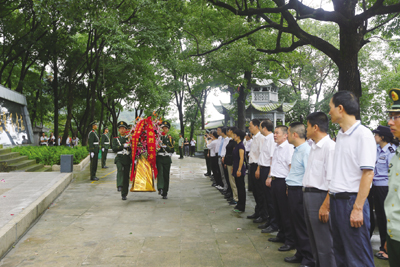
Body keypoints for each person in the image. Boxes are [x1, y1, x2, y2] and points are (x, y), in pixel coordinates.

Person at [320, 91, 376, 266]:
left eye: (331, 108)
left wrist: (358, 208)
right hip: (338, 201)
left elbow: (368, 173)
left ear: (340, 108)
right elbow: (339, 173)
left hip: (352, 202)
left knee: (358, 257)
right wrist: (328, 201)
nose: (329, 112)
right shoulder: (341, 136)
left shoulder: (363, 135)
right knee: (341, 255)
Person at [303, 112, 336, 267]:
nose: (305, 130)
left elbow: (333, 180)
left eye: (307, 126)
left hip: (321, 197)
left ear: (315, 127)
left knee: (325, 243)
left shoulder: (330, 148)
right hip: (309, 196)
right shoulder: (314, 147)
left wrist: (326, 205)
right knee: (314, 240)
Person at [284, 122, 314, 266]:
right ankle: (300, 253)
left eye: (288, 133)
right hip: (293, 189)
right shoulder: (297, 150)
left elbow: (309, 175)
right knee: (295, 224)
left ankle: (309, 257)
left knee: (302, 225)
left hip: (300, 191)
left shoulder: (306, 151)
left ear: (294, 134)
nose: (287, 136)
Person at [368, 125, 395, 261]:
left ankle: (387, 248)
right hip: (376, 187)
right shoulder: (377, 150)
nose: (375, 137)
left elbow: (393, 173)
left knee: (385, 217)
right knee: (379, 216)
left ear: (382, 136)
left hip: (385, 187)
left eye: (376, 134)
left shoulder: (391, 151)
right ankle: (383, 246)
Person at [266, 125, 295, 252]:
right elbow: (274, 164)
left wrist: (288, 186)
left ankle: (290, 240)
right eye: (274, 133)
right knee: (277, 210)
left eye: (277, 133)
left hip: (284, 182)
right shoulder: (277, 147)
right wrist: (270, 176)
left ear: (285, 135)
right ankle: (281, 234)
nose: (274, 135)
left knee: (285, 212)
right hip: (275, 180)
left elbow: (291, 168)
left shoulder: (288, 148)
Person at [384, 88, 400, 266]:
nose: (390, 122)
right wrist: (390, 235)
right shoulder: (396, 154)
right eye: (391, 116)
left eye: (396, 116)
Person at [257, 119, 278, 233]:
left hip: (268, 170)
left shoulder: (271, 139)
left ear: (264, 127)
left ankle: (274, 223)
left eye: (260, 126)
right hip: (264, 168)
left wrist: (269, 175)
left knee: (270, 199)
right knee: (266, 197)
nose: (259, 129)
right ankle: (270, 220)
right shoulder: (266, 138)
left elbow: (272, 157)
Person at [247, 119, 267, 224]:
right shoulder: (254, 138)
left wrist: (258, 169)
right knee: (254, 190)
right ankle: (257, 211)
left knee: (260, 192)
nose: (249, 128)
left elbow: (261, 155)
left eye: (250, 126)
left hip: (257, 166)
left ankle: (263, 214)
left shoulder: (261, 138)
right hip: (252, 165)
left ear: (256, 126)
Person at [112, 121, 131, 200]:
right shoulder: (116, 139)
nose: (122, 130)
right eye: (120, 129)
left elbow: (133, 148)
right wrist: (123, 146)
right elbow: (114, 148)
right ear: (119, 130)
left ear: (126, 130)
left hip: (127, 158)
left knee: (126, 176)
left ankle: (124, 193)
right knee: (120, 170)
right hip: (119, 157)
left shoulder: (129, 139)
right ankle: (119, 185)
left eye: (123, 129)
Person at [156, 121, 174, 199]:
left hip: (166, 158)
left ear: (168, 130)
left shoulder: (170, 139)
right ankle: (160, 188)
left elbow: (172, 150)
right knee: (160, 173)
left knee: (166, 176)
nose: (164, 130)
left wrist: (166, 147)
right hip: (159, 158)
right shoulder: (157, 138)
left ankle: (165, 192)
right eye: (162, 128)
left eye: (165, 128)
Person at [232, 129, 246, 213]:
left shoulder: (241, 145)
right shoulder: (237, 145)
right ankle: (239, 203)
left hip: (239, 168)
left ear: (238, 137)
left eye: (235, 135)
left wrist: (239, 169)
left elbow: (242, 158)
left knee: (241, 187)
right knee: (238, 186)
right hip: (236, 166)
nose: (234, 137)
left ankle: (242, 205)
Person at [224, 127, 238, 206]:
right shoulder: (230, 141)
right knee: (230, 180)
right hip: (228, 162)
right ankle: (234, 196)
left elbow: (235, 154)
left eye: (228, 131)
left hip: (232, 163)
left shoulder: (235, 142)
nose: (227, 132)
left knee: (233, 181)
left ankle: (236, 198)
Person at [220, 127, 233, 201]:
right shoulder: (227, 139)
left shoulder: (231, 140)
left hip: (229, 161)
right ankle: (229, 191)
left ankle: (232, 194)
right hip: (226, 159)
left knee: (231, 179)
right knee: (227, 177)